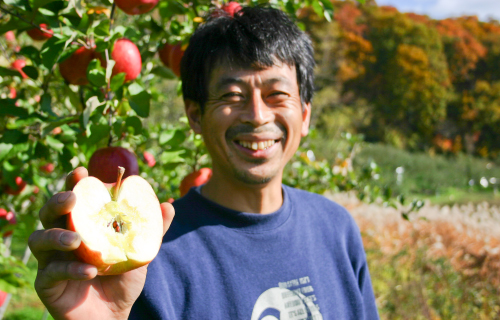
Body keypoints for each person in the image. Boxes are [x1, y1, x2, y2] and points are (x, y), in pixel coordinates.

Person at [29, 6, 379, 319]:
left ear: (304, 115)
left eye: (277, 94)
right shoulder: (146, 259)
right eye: (232, 96)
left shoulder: (337, 229)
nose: (257, 116)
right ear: (195, 116)